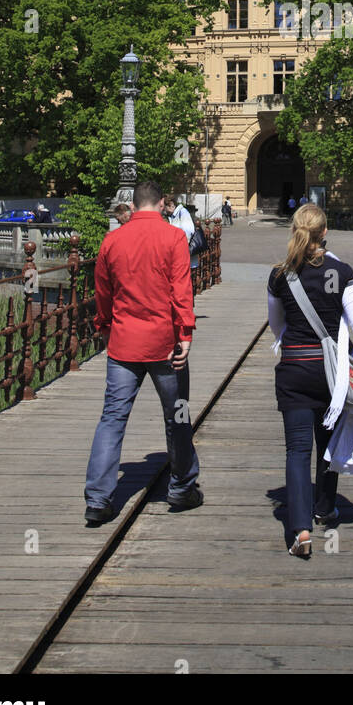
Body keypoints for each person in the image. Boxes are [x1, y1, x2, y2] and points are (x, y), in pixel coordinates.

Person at [267, 203, 353, 559]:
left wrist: (293, 344)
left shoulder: (279, 275)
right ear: (325, 232)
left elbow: (276, 325)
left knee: (297, 451)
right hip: (332, 376)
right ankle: (325, 507)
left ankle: (301, 528)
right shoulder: (341, 272)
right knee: (328, 441)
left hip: (294, 370)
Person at [84, 179, 202, 525]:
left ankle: (98, 499)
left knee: (112, 418)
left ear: (133, 206)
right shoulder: (173, 237)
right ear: (160, 203)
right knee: (177, 414)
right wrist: (185, 333)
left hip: (124, 343)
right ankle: (181, 487)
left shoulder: (112, 240)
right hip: (165, 343)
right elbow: (182, 289)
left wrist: (105, 325)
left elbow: (102, 292)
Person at [164, 195, 199, 276]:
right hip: (181, 258)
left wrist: (180, 249)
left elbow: (188, 231)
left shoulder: (182, 212)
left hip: (185, 256)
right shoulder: (173, 216)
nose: (164, 210)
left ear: (170, 205)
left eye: (164, 207)